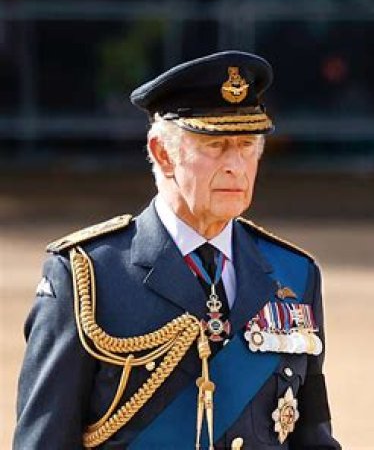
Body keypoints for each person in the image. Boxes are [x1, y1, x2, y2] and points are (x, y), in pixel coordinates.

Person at [14, 51, 341, 449]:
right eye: (215, 146)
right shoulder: (87, 277)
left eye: (246, 145)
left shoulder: (295, 274)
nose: (236, 165)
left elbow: (312, 437)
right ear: (162, 152)